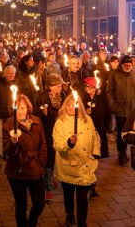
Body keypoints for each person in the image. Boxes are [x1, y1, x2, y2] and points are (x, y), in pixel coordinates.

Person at [53, 94, 100, 227]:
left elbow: (96, 137)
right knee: (68, 194)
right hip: (68, 166)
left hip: (84, 166)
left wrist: (96, 153)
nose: (69, 108)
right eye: (67, 105)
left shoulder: (88, 120)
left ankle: (82, 223)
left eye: (73, 105)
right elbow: (57, 144)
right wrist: (69, 143)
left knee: (82, 198)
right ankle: (69, 214)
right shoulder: (60, 122)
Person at [3, 94, 47, 227]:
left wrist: (42, 161)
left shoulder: (37, 121)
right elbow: (7, 151)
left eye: (23, 108)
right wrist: (13, 142)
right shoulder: (9, 124)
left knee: (39, 204)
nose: (20, 112)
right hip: (17, 172)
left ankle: (32, 222)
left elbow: (43, 143)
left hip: (36, 169)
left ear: (27, 108)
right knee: (21, 205)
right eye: (18, 108)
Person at [38, 73, 66, 201]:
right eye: (56, 86)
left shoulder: (64, 95)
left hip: (60, 130)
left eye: (60, 85)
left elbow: (64, 110)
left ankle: (50, 178)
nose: (59, 88)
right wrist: (43, 113)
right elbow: (36, 113)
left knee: (56, 155)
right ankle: (48, 186)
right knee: (49, 155)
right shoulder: (42, 96)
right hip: (47, 130)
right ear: (49, 86)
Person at [106, 55, 135, 166]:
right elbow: (108, 91)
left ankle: (130, 153)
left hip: (132, 110)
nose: (128, 67)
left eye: (130, 65)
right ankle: (121, 153)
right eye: (126, 65)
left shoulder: (134, 73)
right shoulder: (114, 74)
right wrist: (112, 105)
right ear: (121, 65)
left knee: (132, 132)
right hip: (120, 109)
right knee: (121, 132)